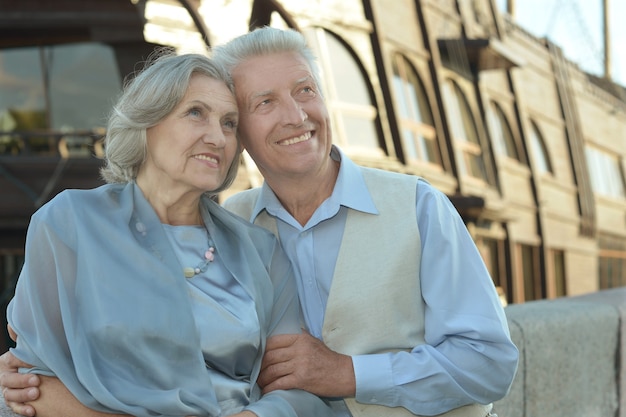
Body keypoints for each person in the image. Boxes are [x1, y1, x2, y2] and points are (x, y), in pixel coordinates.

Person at [2, 27, 519, 417]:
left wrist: (344, 373)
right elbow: (33, 375)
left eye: (306, 91)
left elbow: (491, 362)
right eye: (264, 103)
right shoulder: (226, 223)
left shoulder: (413, 208)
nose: (295, 117)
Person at [0, 49, 334, 417]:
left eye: (229, 123)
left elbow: (294, 392)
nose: (218, 138)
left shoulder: (260, 249)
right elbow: (30, 381)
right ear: (146, 122)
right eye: (196, 113)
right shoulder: (69, 223)